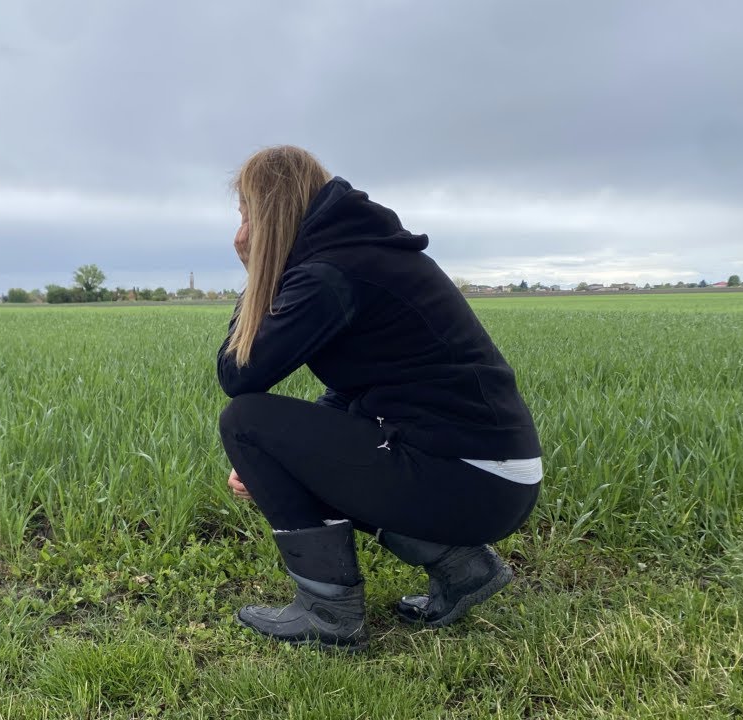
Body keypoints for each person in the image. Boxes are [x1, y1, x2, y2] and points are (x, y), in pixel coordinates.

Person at [217, 146, 542, 651]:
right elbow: (355, 391)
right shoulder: (358, 254)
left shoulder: (330, 273)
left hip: (471, 477)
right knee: (270, 436)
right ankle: (464, 568)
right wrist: (281, 460)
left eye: (244, 214)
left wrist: (257, 273)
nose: (240, 231)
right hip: (492, 473)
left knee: (244, 420)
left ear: (267, 211)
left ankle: (329, 614)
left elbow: (239, 373)